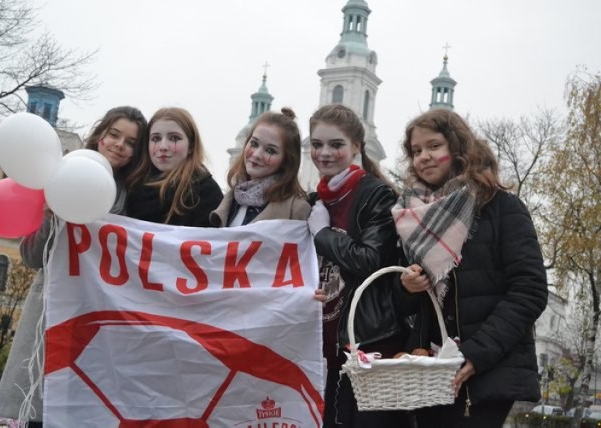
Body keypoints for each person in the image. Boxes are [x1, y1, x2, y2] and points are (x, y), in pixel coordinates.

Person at [0, 106, 148, 427]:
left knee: (84, 407)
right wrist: (50, 213)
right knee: (38, 405)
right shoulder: (57, 175)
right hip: (51, 313)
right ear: (100, 135)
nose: (119, 145)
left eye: (131, 142)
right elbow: (32, 258)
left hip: (98, 316)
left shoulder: (135, 196)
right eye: (114, 135)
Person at [394, 109, 548, 428]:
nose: (423, 157)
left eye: (434, 146)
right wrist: (407, 288)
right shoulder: (410, 216)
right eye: (416, 150)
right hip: (429, 374)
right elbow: (407, 306)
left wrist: (474, 356)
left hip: (484, 373)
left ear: (458, 146)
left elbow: (529, 291)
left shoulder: (501, 208)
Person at [306, 104, 409, 427]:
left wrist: (322, 234)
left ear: (356, 148)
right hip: (322, 351)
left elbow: (369, 261)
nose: (324, 153)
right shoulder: (315, 201)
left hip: (369, 348)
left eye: (335, 145)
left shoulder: (376, 195)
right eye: (316, 144)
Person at [210, 107, 309, 227]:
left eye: (270, 150)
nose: (256, 155)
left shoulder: (297, 210)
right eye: (254, 144)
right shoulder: (230, 199)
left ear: (287, 160)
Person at [126, 107, 222, 226]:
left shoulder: (206, 192)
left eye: (174, 138)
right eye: (156, 138)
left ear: (191, 146)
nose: (163, 146)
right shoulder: (132, 186)